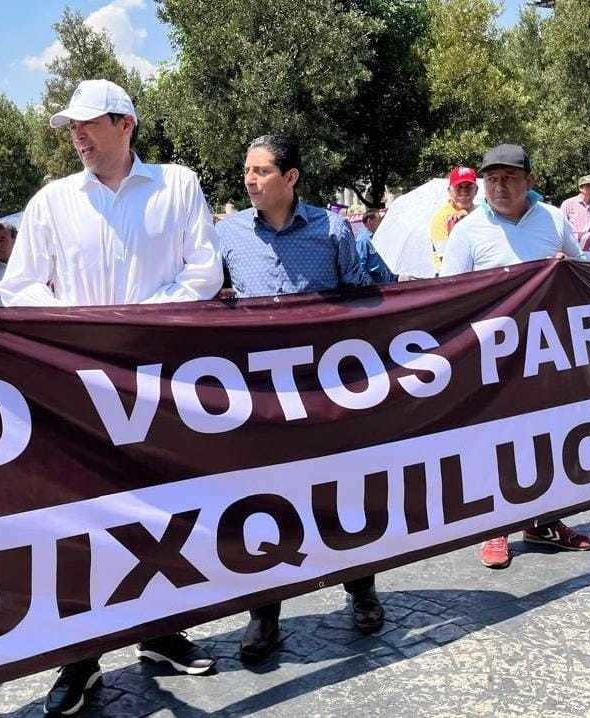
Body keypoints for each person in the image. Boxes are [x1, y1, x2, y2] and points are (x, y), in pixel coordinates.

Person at [0, 79, 222, 715]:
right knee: (85, 519)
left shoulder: (178, 186)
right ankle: (81, 659)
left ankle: (159, 631)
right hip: (81, 387)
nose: (77, 135)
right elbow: (22, 287)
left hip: (160, 380)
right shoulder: (50, 202)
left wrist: (139, 325)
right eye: (71, 126)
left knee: (163, 507)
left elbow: (202, 272)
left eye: (89, 123)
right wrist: (84, 329)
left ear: (126, 123)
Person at [215, 135, 382, 663]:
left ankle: (361, 592)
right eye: (247, 170)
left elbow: (365, 301)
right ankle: (264, 615)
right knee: (264, 502)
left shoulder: (334, 230)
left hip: (325, 394)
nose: (250, 179)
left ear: (291, 179)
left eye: (262, 171)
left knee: (342, 495)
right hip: (261, 400)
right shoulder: (228, 235)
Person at [439, 144, 590, 568]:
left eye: (509, 177)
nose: (499, 186)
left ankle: (544, 521)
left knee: (548, 438)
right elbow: (449, 297)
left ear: (530, 180)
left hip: (546, 353)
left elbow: (582, 275)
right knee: (497, 441)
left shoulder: (554, 220)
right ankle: (495, 527)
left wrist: (565, 269)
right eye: (491, 178)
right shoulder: (467, 231)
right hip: (493, 357)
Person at [429, 167, 479, 274]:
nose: (464, 192)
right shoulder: (441, 218)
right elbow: (447, 259)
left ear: (476, 190)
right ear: (449, 191)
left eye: (469, 187)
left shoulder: (483, 211)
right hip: (452, 279)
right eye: (459, 187)